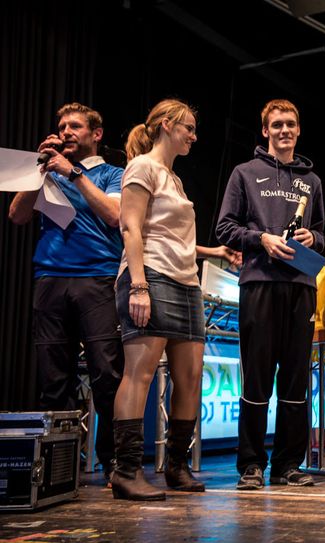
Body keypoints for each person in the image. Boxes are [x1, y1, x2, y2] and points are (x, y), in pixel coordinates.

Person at [8, 103, 124, 483]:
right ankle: (61, 467)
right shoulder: (48, 172)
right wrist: (38, 169)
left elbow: (114, 215)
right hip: (51, 279)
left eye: (75, 125)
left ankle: (112, 463)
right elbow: (17, 215)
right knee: (54, 380)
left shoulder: (112, 173)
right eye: (62, 126)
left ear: (96, 134)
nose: (67, 131)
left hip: (98, 280)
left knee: (106, 375)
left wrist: (72, 173)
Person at [216, 99, 324, 490]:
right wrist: (260, 239)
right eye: (277, 124)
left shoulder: (312, 181)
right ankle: (250, 466)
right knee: (257, 378)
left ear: (298, 130)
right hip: (258, 283)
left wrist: (314, 237)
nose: (284, 130)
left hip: (301, 286)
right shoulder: (244, 173)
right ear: (265, 130)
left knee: (296, 380)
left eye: (290, 124)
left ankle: (287, 466)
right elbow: (224, 228)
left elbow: (322, 235)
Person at [111, 99, 209, 501]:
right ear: (167, 125)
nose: (193, 136)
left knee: (189, 377)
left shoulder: (174, 178)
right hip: (149, 275)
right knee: (141, 374)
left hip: (186, 283)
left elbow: (173, 234)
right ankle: (127, 470)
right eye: (188, 127)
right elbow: (130, 226)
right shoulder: (143, 167)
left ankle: (176, 467)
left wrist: (213, 253)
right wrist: (138, 286)